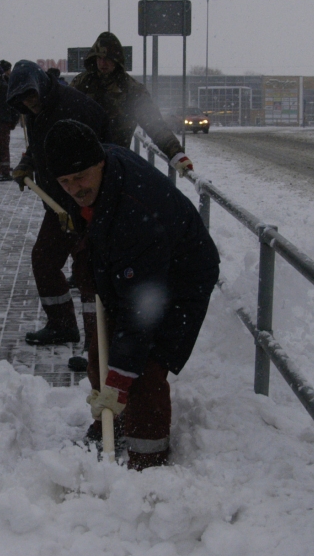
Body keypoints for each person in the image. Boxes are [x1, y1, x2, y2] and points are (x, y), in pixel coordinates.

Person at [44, 120, 220, 470]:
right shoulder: (102, 169)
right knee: (102, 351)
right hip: (138, 267)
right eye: (65, 182)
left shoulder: (136, 211)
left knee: (144, 369)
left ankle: (148, 456)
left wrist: (122, 378)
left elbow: (140, 315)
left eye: (80, 178)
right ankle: (110, 423)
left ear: (99, 164)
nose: (75, 189)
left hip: (181, 275)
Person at [6, 60, 110, 346]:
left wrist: (80, 210)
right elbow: (40, 145)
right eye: (21, 101)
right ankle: (62, 325)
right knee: (44, 259)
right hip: (58, 205)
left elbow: (88, 159)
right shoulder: (37, 110)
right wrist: (27, 163)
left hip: (87, 202)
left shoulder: (71, 109)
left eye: (30, 96)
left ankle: (97, 343)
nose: (28, 104)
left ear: (40, 86)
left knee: (87, 270)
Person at [71, 32, 194, 174]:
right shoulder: (82, 84)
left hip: (114, 163)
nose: (102, 63)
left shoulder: (131, 89)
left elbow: (154, 124)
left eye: (107, 58)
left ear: (117, 60)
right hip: (81, 163)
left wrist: (176, 154)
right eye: (99, 57)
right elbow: (62, 114)